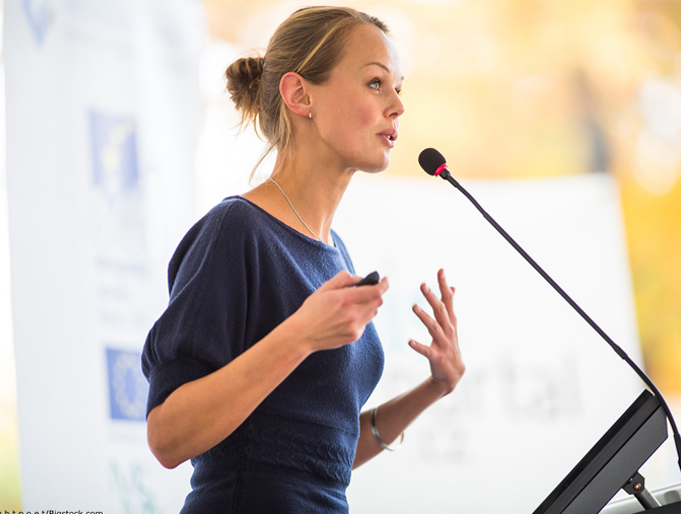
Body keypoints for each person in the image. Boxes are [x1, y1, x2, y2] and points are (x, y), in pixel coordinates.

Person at [141, 6, 465, 513]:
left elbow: (317, 459)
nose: (399, 105)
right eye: (376, 83)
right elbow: (167, 436)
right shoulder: (237, 231)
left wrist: (435, 388)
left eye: (399, 88)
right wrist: (300, 336)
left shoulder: (336, 253)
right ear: (299, 95)